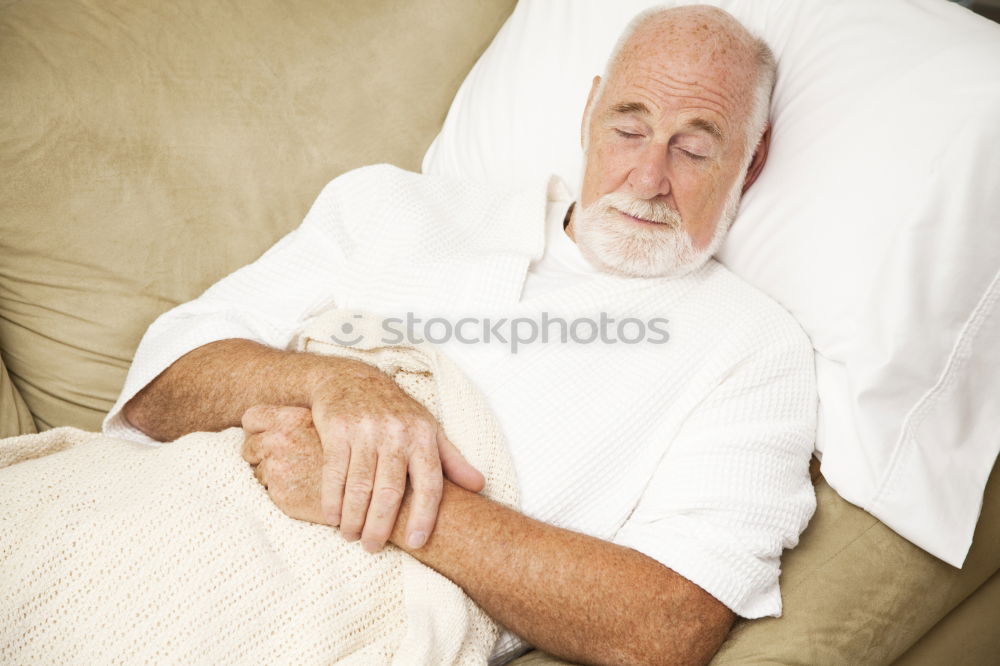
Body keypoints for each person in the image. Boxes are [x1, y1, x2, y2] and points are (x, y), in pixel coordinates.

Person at [104, 6, 817, 666]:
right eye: (628, 130)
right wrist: (333, 383)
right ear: (588, 113)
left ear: (752, 160)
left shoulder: (752, 347)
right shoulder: (392, 204)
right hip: (141, 517)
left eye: (694, 149)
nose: (649, 176)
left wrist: (383, 492)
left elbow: (667, 623)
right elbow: (158, 387)